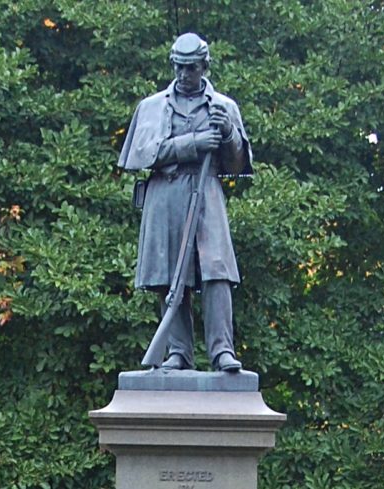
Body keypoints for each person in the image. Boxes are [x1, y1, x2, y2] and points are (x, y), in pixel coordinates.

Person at [118, 33, 253, 371]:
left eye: (190, 68)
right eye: (178, 67)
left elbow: (237, 169)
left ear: (204, 67)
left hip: (207, 192)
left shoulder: (224, 107)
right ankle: (178, 352)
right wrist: (193, 142)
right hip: (165, 194)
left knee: (217, 271)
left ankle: (223, 351)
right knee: (170, 275)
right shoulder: (152, 107)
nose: (183, 75)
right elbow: (143, 154)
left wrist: (229, 136)